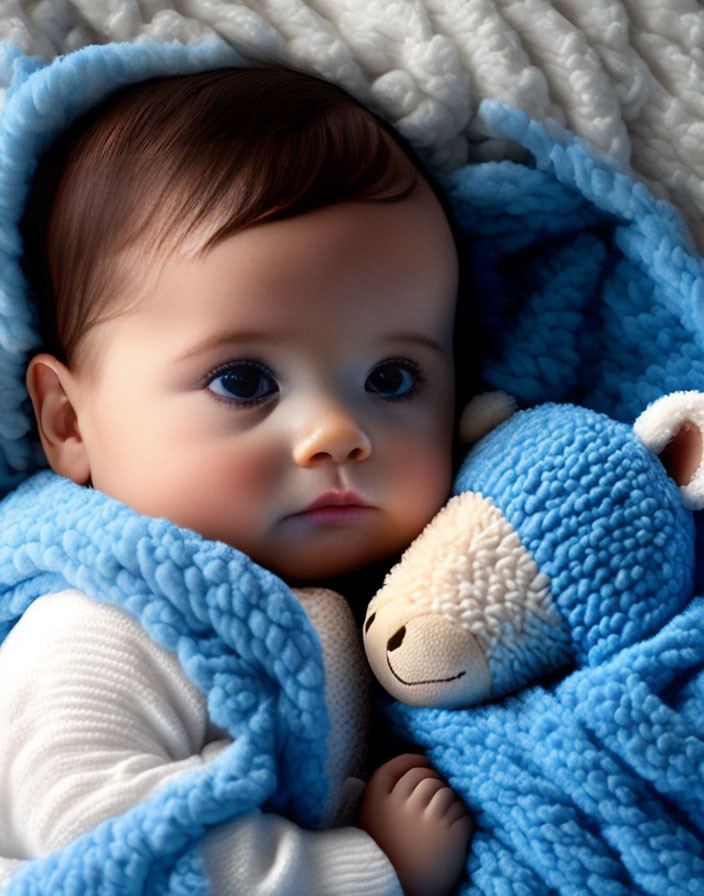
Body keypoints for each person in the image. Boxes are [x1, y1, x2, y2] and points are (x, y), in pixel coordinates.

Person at [0, 65, 472, 896]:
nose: (337, 434)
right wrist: (370, 866)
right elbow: (116, 853)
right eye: (245, 381)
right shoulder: (99, 629)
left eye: (393, 379)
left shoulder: (374, 605)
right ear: (71, 424)